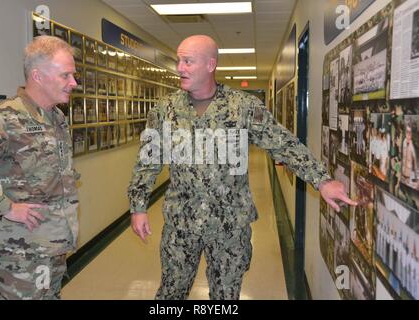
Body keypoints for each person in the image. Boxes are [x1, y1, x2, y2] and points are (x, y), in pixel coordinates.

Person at [128, 35, 357, 300]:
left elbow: (282, 143)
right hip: (181, 223)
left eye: (188, 61)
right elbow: (148, 160)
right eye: (179, 61)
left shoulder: (243, 107)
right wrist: (138, 206)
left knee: (226, 296)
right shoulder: (164, 109)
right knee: (170, 294)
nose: (180, 67)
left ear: (210, 64)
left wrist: (322, 180)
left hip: (230, 226)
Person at [0, 35, 79, 299]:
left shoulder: (57, 118)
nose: (74, 83)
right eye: (66, 75)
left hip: (51, 249)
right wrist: (5, 207)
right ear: (38, 76)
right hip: (16, 259)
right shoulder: (1, 119)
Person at [401, 123, 418, 189]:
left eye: (410, 132)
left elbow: (415, 162)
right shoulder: (404, 142)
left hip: (410, 177)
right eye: (407, 132)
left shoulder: (413, 146)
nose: (408, 134)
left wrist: (415, 178)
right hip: (402, 175)